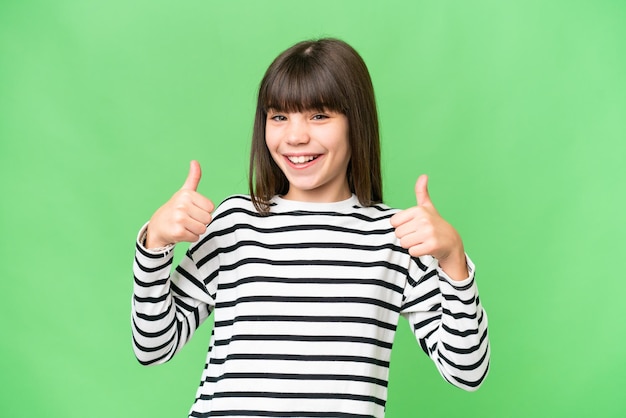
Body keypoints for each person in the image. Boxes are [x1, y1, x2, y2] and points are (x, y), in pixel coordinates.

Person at [132, 38, 490, 418]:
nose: (295, 137)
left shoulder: (396, 236)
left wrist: (453, 261)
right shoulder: (235, 223)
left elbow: (467, 370)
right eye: (279, 116)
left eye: (319, 116)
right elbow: (154, 346)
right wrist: (155, 244)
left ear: (357, 122)